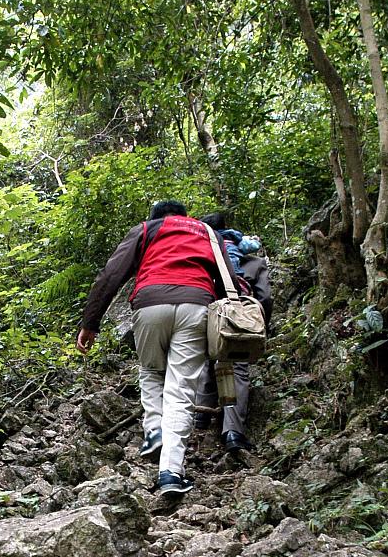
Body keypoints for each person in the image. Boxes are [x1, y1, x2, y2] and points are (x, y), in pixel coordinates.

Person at [76, 200, 240, 496]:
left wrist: (91, 322)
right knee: (181, 390)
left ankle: (154, 430)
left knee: (151, 371)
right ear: (183, 217)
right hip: (196, 304)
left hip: (149, 304)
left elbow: (111, 275)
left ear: (155, 218)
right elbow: (227, 278)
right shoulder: (206, 231)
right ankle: (171, 474)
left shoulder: (146, 229)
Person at [194, 212, 272, 452]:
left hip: (207, 313)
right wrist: (261, 324)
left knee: (206, 362)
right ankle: (233, 433)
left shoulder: (200, 257)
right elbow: (265, 297)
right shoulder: (252, 261)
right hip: (238, 316)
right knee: (237, 370)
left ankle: (201, 419)